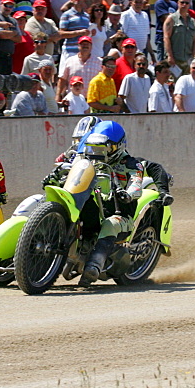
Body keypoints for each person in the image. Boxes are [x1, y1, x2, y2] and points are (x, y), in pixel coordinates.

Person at [69, 120, 146, 286]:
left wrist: (128, 194)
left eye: (105, 148)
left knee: (110, 224)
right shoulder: (85, 158)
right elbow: (70, 171)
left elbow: (136, 184)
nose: (97, 152)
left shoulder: (132, 164)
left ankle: (93, 267)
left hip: (119, 214)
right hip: (96, 207)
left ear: (118, 147)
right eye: (93, 147)